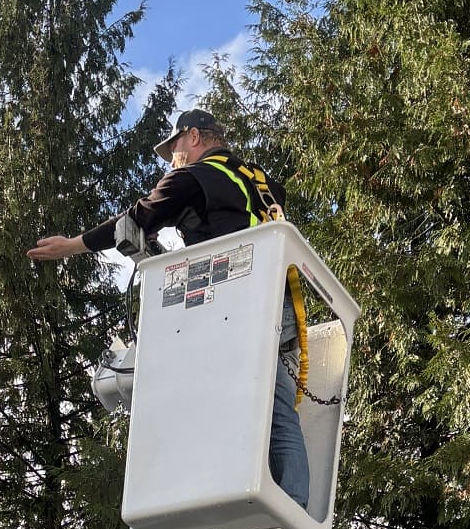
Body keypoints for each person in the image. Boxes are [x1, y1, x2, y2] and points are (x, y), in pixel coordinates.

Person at [27, 109, 310, 508]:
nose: (172, 158)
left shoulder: (193, 177)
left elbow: (137, 218)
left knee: (210, 395)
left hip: (236, 303)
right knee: (274, 402)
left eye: (174, 147)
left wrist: (71, 246)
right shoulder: (258, 181)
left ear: (193, 137)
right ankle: (290, 500)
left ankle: (228, 495)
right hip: (276, 302)